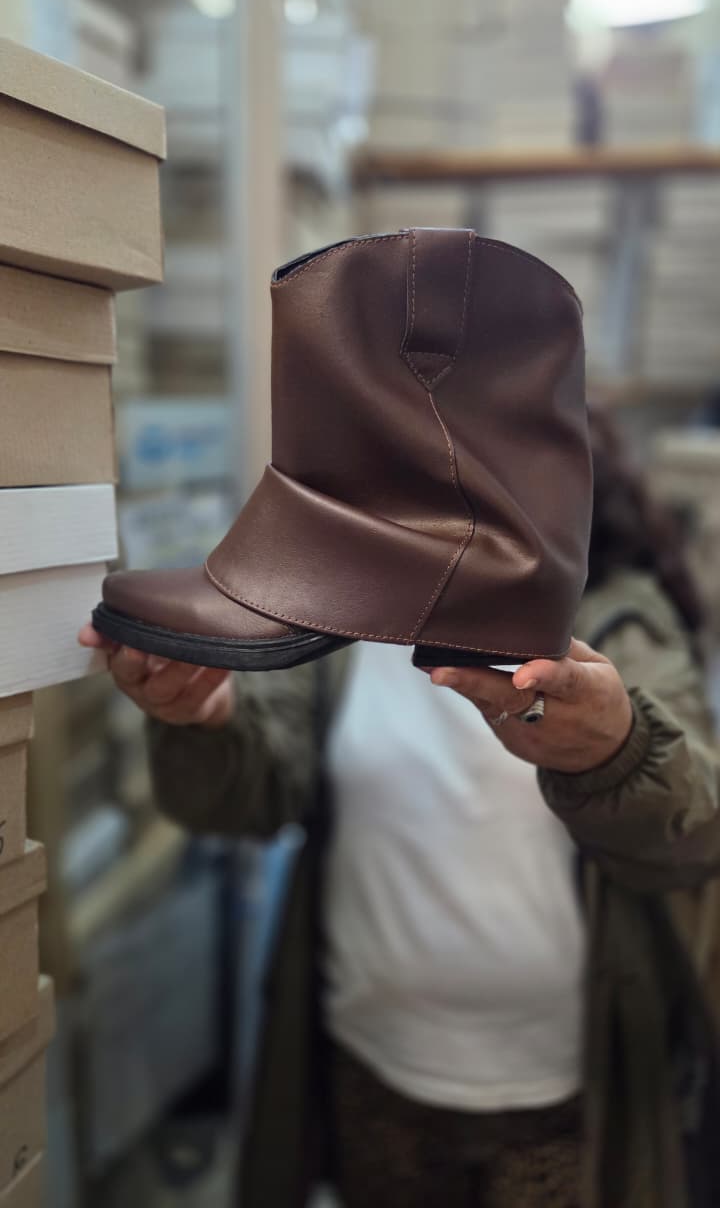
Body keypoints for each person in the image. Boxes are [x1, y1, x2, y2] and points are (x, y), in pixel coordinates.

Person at [80, 408, 720, 1208]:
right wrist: (206, 721)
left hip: (567, 1095)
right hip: (376, 1073)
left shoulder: (620, 622)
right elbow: (254, 790)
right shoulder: (345, 620)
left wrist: (617, 747)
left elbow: (697, 825)